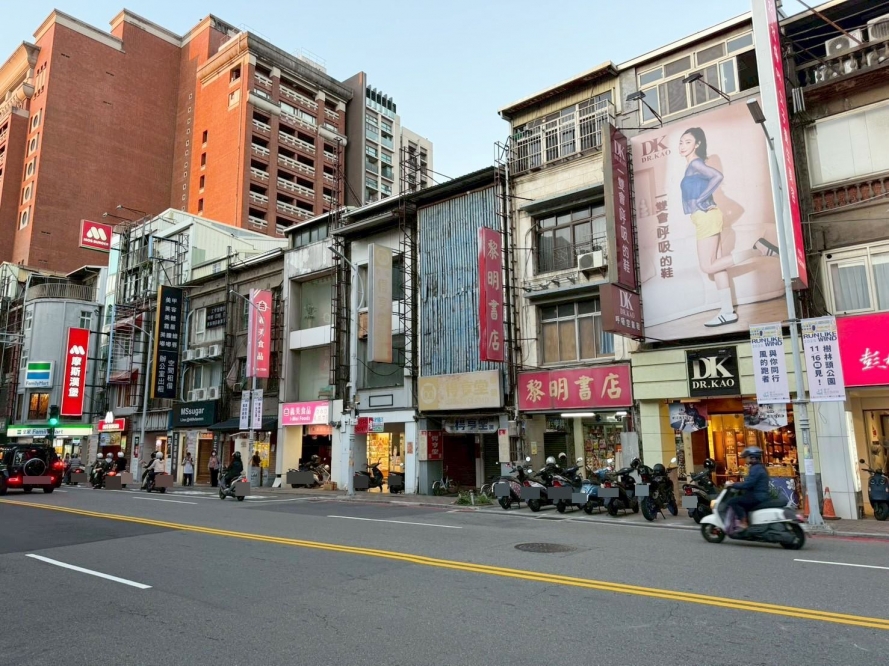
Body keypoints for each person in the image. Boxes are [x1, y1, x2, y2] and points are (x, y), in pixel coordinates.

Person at [678, 127, 779, 328]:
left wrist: (701, 199)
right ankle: (727, 312)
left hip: (706, 218)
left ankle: (757, 249)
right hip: (706, 217)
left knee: (708, 266)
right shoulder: (691, 165)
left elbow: (717, 176)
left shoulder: (696, 163)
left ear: (697, 144)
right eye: (681, 142)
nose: (682, 146)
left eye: (688, 142)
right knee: (717, 267)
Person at [726, 447, 771, 530]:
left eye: (746, 457)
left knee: (733, 501)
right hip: (759, 495)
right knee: (742, 500)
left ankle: (743, 523)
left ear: (752, 457)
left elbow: (748, 484)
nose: (745, 459)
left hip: (757, 496)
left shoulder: (756, 469)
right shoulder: (759, 467)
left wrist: (733, 484)